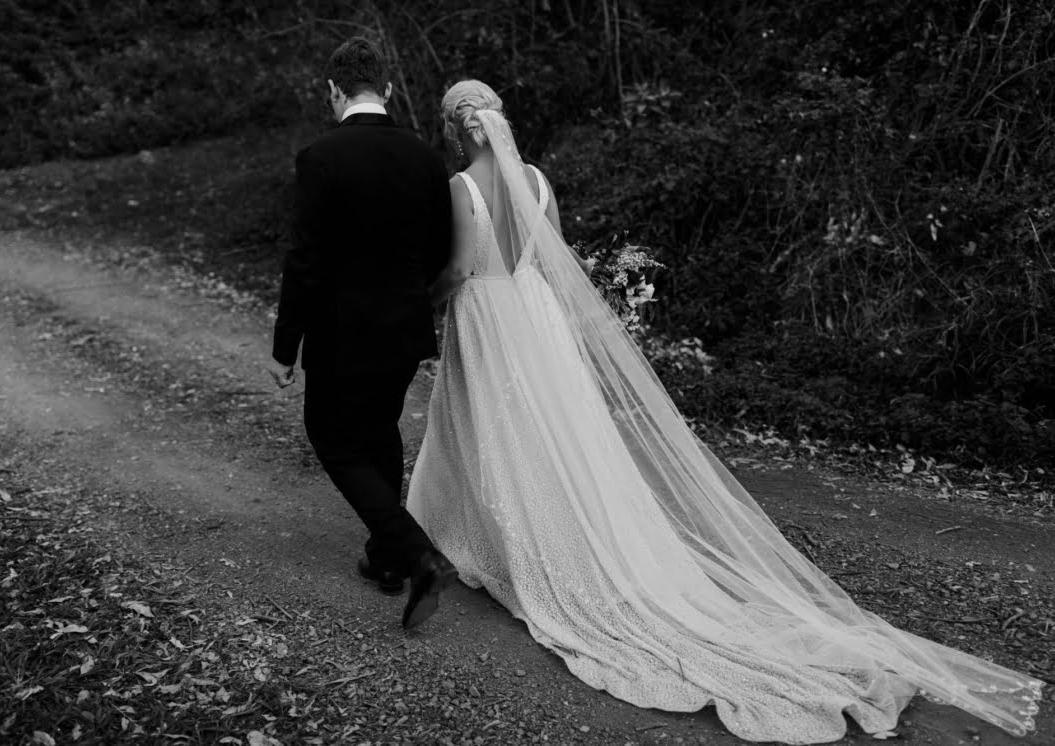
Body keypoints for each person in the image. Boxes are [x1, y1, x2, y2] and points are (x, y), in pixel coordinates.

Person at [406, 79, 1043, 743]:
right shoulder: (536, 181)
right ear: (499, 122)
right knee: (558, 437)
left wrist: (427, 300)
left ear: (455, 130)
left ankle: (505, 539)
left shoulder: (461, 188)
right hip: (538, 318)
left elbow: (459, 271)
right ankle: (546, 527)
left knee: (498, 429)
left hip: (490, 319)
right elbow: (552, 260)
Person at [268, 37, 457, 630]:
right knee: (379, 430)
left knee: (332, 437)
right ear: (389, 89)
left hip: (340, 330)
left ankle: (418, 555)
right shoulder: (425, 157)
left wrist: (285, 347)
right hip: (403, 327)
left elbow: (305, 260)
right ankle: (386, 558)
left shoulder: (320, 157)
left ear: (334, 90)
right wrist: (406, 297)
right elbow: (440, 248)